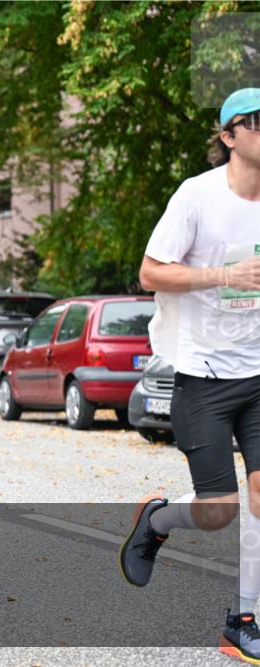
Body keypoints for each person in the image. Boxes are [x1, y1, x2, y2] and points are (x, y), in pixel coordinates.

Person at [118, 88, 260, 664]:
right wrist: (224, 275)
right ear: (228, 136)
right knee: (218, 508)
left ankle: (244, 618)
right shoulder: (196, 196)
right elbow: (151, 272)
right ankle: (156, 520)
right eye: (258, 121)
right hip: (204, 372)